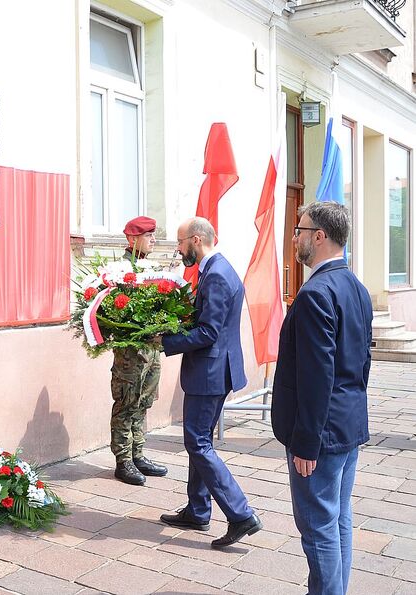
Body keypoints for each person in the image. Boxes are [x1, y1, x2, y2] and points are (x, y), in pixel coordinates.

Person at [272, 202, 371, 595]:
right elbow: (363, 363)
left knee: (318, 528)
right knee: (337, 518)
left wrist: (307, 441)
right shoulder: (355, 286)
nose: (294, 237)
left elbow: (317, 375)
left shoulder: (316, 293)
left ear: (319, 236)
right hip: (346, 423)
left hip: (321, 434)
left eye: (299, 230)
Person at [158, 217, 262, 548]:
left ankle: (240, 514)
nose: (178, 248)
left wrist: (165, 341)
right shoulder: (218, 268)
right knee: (199, 441)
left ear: (197, 239)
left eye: (180, 242)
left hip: (210, 373)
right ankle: (198, 510)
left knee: (198, 443)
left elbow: (208, 332)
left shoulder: (215, 274)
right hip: (216, 370)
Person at [112, 216, 169, 485]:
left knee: (143, 403)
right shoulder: (120, 270)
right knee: (127, 403)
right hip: (131, 354)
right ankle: (123, 461)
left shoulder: (150, 268)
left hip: (151, 350)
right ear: (132, 239)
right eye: (148, 235)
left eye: (153, 235)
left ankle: (137, 454)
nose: (153, 240)